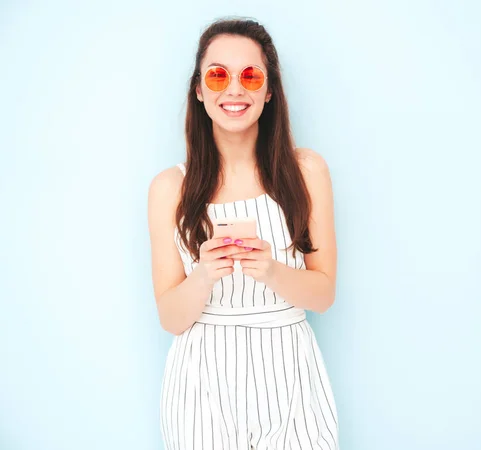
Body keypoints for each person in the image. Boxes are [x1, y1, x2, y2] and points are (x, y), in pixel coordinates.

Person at [147, 17, 339, 450]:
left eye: (250, 76)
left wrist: (271, 270)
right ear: (199, 89)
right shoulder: (168, 189)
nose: (234, 89)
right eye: (217, 75)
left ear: (269, 92)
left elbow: (324, 294)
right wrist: (204, 275)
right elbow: (170, 318)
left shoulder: (307, 171)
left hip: (290, 374)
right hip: (202, 384)